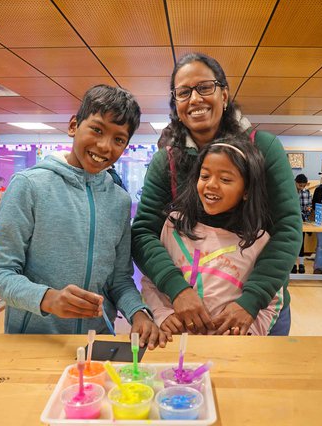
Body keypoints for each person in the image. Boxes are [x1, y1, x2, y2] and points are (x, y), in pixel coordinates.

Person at [132, 53, 301, 337]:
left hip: (257, 311)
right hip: (185, 313)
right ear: (176, 104)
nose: (195, 99)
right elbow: (144, 233)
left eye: (205, 87)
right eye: (183, 92)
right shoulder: (167, 161)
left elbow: (287, 229)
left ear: (224, 94)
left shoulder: (263, 148)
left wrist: (251, 301)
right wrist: (177, 290)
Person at [0, 84, 166, 349]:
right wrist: (48, 298)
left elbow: (119, 280)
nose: (104, 146)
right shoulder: (29, 186)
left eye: (119, 139)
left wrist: (137, 312)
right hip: (35, 341)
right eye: (97, 130)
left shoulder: (119, 201)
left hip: (98, 340)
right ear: (73, 126)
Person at [141, 137, 282, 336]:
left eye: (225, 179)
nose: (211, 185)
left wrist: (249, 333)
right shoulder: (174, 225)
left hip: (230, 350)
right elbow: (151, 280)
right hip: (175, 345)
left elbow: (273, 301)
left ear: (247, 190)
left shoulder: (258, 240)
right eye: (205, 176)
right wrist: (163, 314)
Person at [291, 174, 312, 274]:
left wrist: (307, 209)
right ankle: (293, 264)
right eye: (300, 185)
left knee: (301, 242)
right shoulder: (289, 192)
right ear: (295, 182)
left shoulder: (306, 192)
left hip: (302, 221)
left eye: (304, 185)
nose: (302, 187)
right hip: (290, 221)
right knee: (291, 243)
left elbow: (308, 206)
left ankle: (301, 263)